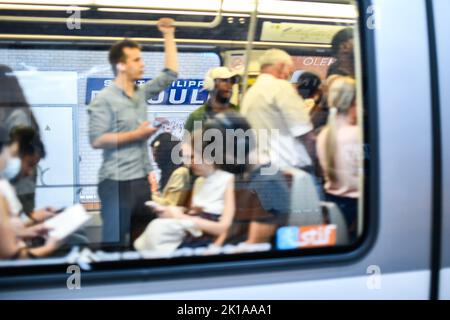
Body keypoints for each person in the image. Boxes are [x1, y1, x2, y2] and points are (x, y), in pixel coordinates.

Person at [88, 18, 178, 247]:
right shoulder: (104, 99)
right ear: (121, 65)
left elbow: (170, 74)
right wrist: (135, 136)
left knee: (144, 241)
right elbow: (97, 140)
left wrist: (168, 34)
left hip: (140, 182)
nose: (142, 64)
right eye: (136, 60)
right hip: (115, 183)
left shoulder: (140, 94)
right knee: (114, 245)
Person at [135, 127, 235, 252]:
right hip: (194, 237)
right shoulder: (201, 182)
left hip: (201, 243)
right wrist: (175, 213)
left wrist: (182, 217)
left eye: (192, 157)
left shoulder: (226, 180)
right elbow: (198, 212)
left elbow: (223, 228)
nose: (188, 163)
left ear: (209, 155)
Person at [241, 49, 315, 173]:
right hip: (287, 170)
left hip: (260, 168)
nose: (288, 77)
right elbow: (305, 134)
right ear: (281, 66)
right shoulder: (281, 87)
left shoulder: (250, 93)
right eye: (289, 73)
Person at [316, 77, 360, 242]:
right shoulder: (356, 134)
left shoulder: (324, 134)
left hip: (334, 202)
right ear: (355, 102)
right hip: (356, 209)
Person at [184, 66, 240, 133]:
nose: (229, 85)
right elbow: (186, 142)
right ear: (210, 84)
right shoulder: (196, 117)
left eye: (232, 81)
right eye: (225, 81)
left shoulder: (240, 112)